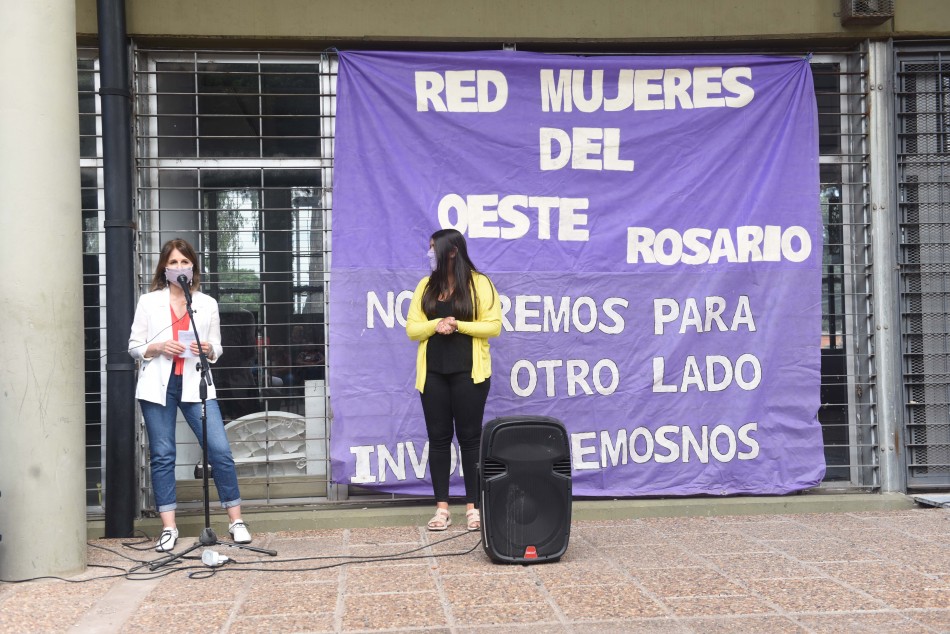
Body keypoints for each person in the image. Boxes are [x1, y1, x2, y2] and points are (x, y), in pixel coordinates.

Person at [128, 238, 252, 551]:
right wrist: (156, 347)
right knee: (163, 454)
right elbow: (134, 346)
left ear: (193, 266)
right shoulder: (148, 302)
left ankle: (236, 520)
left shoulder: (206, 303)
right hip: (159, 385)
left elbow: (217, 347)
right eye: (173, 263)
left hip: (196, 383)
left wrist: (209, 348)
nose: (180, 268)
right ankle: (168, 527)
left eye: (185, 262)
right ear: (164, 268)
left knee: (219, 450)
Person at [406, 229, 502, 532]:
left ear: (451, 251)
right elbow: (412, 329)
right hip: (433, 374)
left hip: (469, 374)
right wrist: (437, 324)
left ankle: (473, 508)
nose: (429, 253)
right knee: (438, 439)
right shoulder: (426, 286)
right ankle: (442, 508)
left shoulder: (480, 283)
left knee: (470, 439)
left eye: (433, 248)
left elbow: (493, 326)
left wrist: (457, 325)